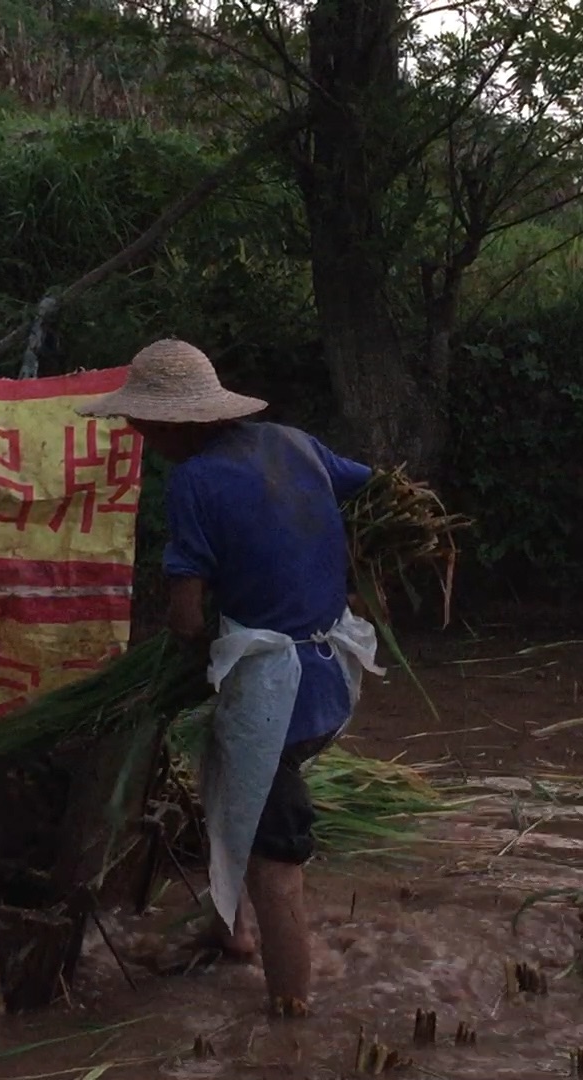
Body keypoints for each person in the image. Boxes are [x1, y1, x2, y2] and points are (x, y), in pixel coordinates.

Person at [77, 338, 383, 1017]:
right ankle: (233, 932)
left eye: (137, 423)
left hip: (277, 695)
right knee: (223, 774)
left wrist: (183, 645)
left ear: (161, 426)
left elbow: (186, 620)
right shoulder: (294, 443)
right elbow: (375, 488)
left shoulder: (193, 483)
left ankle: (291, 1017)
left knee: (278, 860)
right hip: (334, 674)